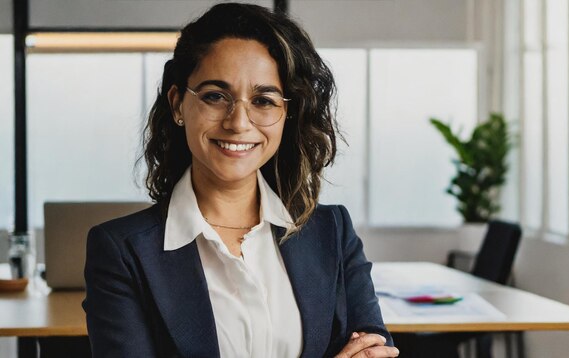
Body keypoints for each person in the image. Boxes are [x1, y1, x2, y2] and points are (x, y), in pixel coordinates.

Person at [83, 3, 398, 357]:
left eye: (263, 100)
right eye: (216, 96)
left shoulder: (332, 232)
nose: (238, 122)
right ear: (177, 104)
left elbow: (375, 350)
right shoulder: (122, 251)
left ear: (286, 114)